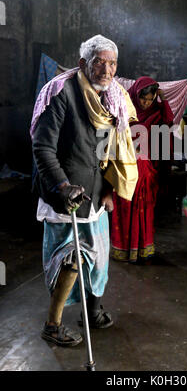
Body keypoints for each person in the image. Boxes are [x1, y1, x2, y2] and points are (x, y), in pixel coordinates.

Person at [31, 34, 138, 346]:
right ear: (83, 64)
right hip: (64, 193)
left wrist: (108, 190)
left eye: (113, 63)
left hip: (94, 192)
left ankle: (92, 312)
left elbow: (109, 148)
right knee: (71, 258)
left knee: (98, 257)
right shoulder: (61, 93)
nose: (107, 69)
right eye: (100, 62)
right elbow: (43, 148)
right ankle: (52, 324)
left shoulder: (112, 96)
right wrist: (63, 186)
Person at [110, 76, 174, 264]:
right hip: (125, 167)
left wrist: (163, 100)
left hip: (145, 170)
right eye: (143, 99)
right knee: (124, 208)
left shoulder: (157, 112)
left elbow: (169, 120)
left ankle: (141, 249)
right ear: (135, 95)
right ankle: (122, 248)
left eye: (150, 99)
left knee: (143, 208)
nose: (146, 103)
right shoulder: (126, 110)